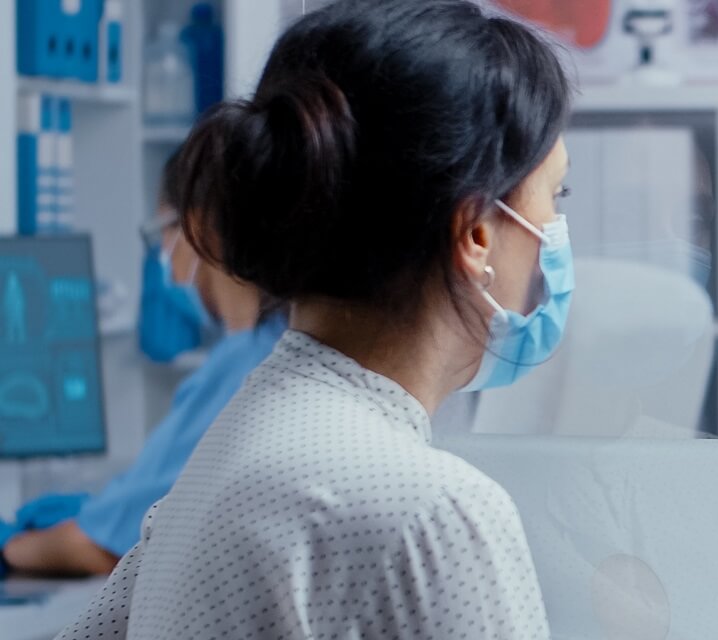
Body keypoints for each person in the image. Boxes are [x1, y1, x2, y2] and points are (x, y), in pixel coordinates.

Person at [58, 0, 572, 636]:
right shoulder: (436, 513)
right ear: (476, 234)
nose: (553, 233)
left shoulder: (229, 449)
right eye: (555, 196)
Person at [0, 153, 286, 578]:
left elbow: (107, 548)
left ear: (199, 228)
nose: (165, 260)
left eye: (163, 232)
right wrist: (98, 512)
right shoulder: (280, 350)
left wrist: (10, 549)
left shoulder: (236, 374)